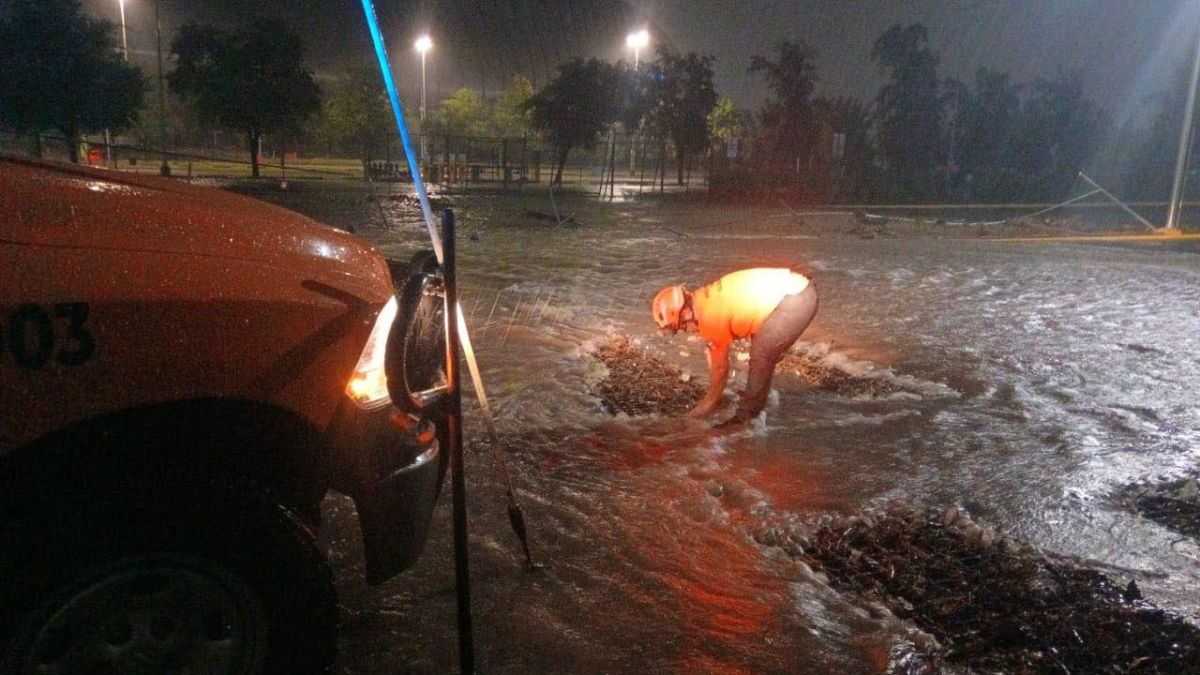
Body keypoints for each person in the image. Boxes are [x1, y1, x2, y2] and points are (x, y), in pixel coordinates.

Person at [651, 267, 818, 426]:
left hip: (796, 300)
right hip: (795, 290)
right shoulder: (702, 300)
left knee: (761, 356)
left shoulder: (710, 318)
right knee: (761, 349)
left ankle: (745, 419)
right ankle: (756, 399)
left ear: (686, 313)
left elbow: (720, 370)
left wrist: (704, 407)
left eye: (680, 327)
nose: (684, 331)